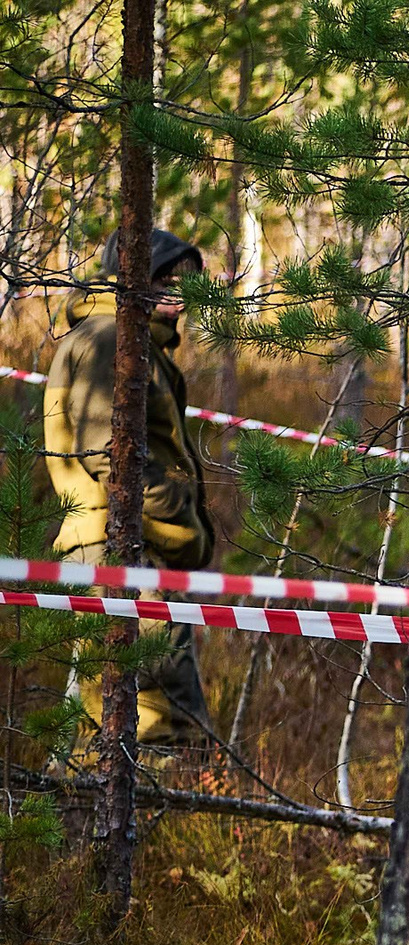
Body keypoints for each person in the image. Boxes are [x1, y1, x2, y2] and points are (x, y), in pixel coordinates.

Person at [43, 228, 216, 745]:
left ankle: (75, 816)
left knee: (94, 723)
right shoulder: (108, 340)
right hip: (121, 546)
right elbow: (111, 458)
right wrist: (181, 516)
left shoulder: (124, 342)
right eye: (162, 278)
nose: (176, 293)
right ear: (127, 279)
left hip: (116, 544)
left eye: (183, 281)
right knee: (163, 721)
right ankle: (169, 822)